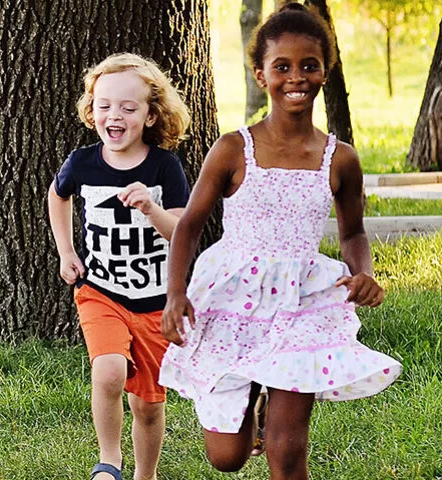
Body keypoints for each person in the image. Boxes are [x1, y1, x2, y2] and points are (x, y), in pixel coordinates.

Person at [158, 5, 401, 479]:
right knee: (226, 458)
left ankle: (279, 398)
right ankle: (252, 393)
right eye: (282, 67)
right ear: (260, 74)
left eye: (310, 65)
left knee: (287, 452)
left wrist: (363, 271)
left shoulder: (340, 158)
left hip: (301, 301)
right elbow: (188, 225)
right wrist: (175, 292)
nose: (297, 77)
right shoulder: (233, 148)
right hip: (232, 294)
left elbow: (352, 231)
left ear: (325, 72)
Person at [46, 52, 193, 480]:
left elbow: (180, 231)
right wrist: (66, 252)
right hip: (101, 292)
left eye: (129, 108)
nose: (115, 115)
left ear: (150, 115)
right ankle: (109, 461)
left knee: (148, 404)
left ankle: (144, 476)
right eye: (104, 105)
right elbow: (58, 196)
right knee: (107, 370)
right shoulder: (82, 162)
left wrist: (151, 207)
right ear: (92, 110)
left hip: (154, 301)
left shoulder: (164, 167)